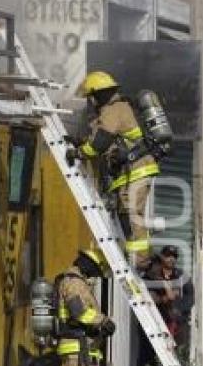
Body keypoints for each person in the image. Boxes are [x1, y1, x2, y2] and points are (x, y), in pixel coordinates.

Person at [67, 71, 159, 270]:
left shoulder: (113, 110)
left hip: (137, 168)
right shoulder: (116, 110)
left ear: (97, 95)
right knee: (125, 214)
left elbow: (99, 144)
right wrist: (79, 142)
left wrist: (77, 153)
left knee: (133, 212)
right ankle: (133, 255)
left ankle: (141, 260)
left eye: (90, 98)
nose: (90, 103)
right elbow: (106, 141)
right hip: (129, 171)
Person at [51, 249, 117, 366]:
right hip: (76, 344)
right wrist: (103, 321)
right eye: (95, 269)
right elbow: (78, 313)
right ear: (86, 264)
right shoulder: (74, 283)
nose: (96, 275)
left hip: (87, 345)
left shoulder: (81, 282)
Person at [138, 245, 194, 366]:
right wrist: (163, 299)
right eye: (168, 256)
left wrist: (179, 309)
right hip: (157, 322)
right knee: (152, 353)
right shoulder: (151, 276)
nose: (171, 259)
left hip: (178, 322)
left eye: (174, 257)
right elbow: (145, 297)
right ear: (162, 257)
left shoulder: (181, 276)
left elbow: (190, 297)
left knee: (179, 353)